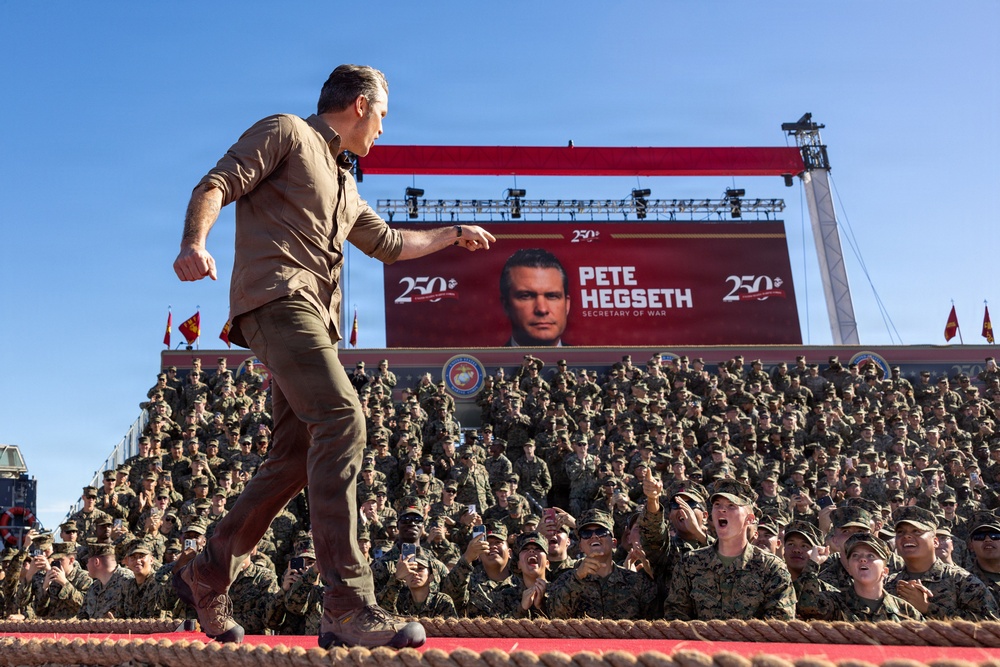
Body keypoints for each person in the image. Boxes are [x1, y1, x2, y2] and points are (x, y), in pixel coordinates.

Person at [171, 64, 495, 648]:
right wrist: (195, 244)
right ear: (363, 104)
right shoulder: (287, 131)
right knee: (343, 418)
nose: (382, 133)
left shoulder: (347, 185)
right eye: (384, 118)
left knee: (294, 457)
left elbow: (392, 245)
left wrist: (451, 234)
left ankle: (207, 571)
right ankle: (346, 603)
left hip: (312, 324)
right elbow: (215, 182)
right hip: (277, 300)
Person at [663, 479, 796, 621]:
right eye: (717, 504)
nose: (721, 509)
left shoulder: (771, 568)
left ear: (749, 519)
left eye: (731, 505)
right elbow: (676, 618)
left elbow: (780, 625)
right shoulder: (690, 563)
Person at [500, 248, 570, 346]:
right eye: (526, 296)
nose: (542, 309)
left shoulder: (591, 361)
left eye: (552, 296)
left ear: (567, 305)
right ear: (506, 305)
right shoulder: (486, 361)